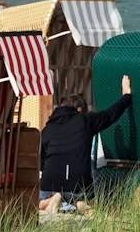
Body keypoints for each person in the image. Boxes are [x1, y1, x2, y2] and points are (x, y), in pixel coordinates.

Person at [39, 75, 132, 213]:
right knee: (84, 188)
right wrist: (126, 96)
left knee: (39, 203)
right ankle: (80, 203)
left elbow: (41, 161)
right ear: (80, 110)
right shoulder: (85, 120)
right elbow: (110, 114)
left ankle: (54, 198)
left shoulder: (47, 129)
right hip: (78, 187)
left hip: (50, 185)